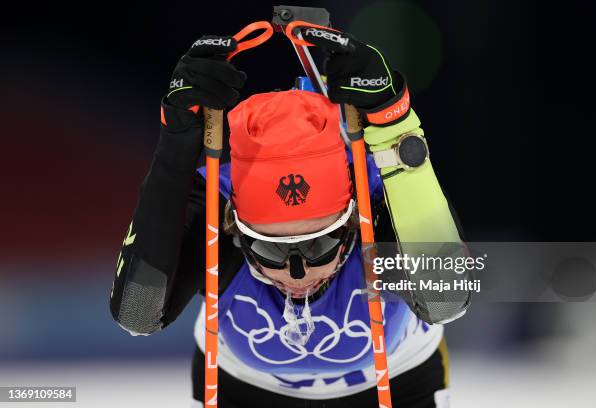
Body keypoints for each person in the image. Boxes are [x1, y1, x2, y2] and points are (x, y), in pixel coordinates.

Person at [110, 29, 465, 407]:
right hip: (246, 389)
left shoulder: (380, 195)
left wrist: (396, 125)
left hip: (398, 380)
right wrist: (176, 142)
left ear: (350, 220)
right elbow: (136, 314)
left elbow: (447, 299)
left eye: (320, 243)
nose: (298, 272)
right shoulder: (215, 204)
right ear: (235, 226)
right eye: (269, 249)